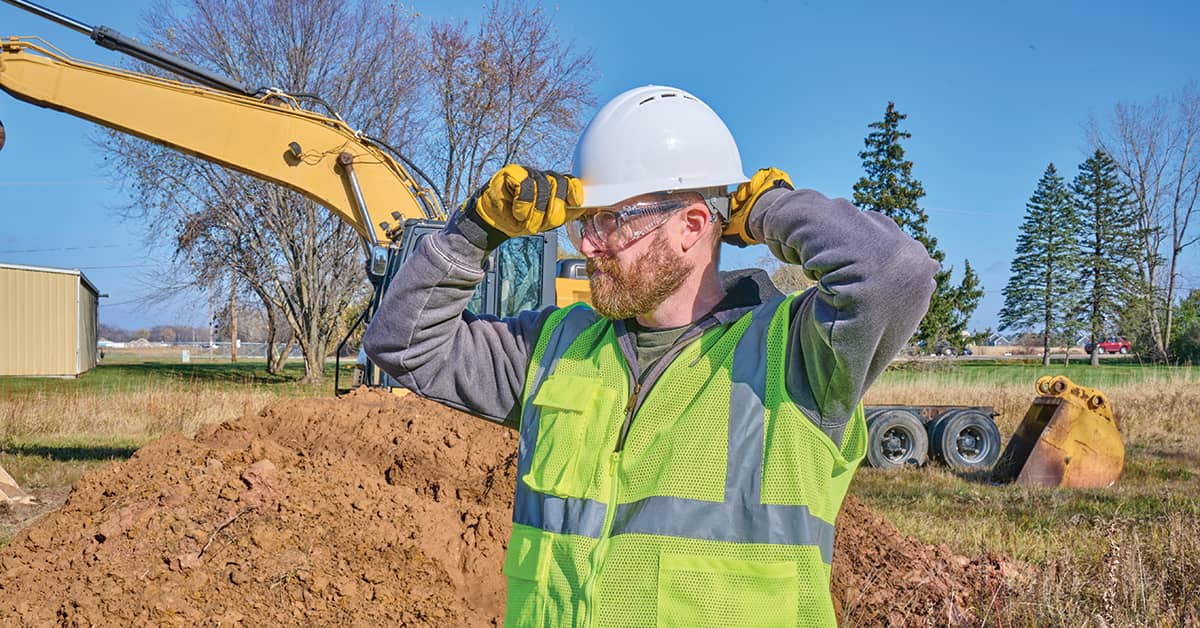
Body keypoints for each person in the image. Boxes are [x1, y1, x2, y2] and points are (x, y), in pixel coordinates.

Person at [364, 85, 937, 627]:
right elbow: (403, 343)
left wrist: (770, 210)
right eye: (587, 222)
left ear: (691, 226)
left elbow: (893, 274)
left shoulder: (796, 356)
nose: (586, 243)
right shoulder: (557, 346)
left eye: (611, 220)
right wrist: (475, 231)